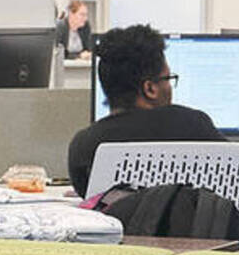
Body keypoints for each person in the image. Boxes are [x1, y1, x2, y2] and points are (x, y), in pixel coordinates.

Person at [68, 25, 225, 195]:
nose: (170, 86)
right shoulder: (193, 126)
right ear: (150, 89)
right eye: (168, 79)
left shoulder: (84, 145)